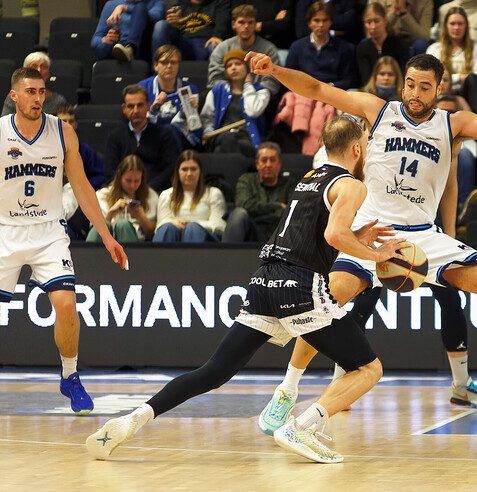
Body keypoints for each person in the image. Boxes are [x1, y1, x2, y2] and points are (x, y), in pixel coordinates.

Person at [246, 50, 477, 433]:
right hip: (372, 230)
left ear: (439, 87)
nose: (415, 93)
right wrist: (276, 69)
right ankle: (286, 392)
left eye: (424, 87)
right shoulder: (378, 110)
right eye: (410, 84)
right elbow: (316, 88)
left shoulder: (454, 123)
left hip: (423, 236)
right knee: (322, 306)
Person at [86, 116, 408, 463]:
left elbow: (318, 235)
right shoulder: (351, 185)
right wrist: (377, 254)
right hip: (299, 285)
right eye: (367, 142)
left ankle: (131, 420)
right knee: (369, 368)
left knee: (213, 372)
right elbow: (333, 236)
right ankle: (301, 426)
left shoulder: (308, 179)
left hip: (264, 281)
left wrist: (356, 238)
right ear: (357, 149)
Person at [0, 67, 127, 414]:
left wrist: (105, 234)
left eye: (41, 92)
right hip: (4, 230)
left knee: (67, 306)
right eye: (30, 92)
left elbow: (82, 186)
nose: (37, 98)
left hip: (47, 231)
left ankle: (70, 377)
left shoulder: (62, 131)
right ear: (14, 95)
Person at [104, 85, 179, 192]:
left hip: (155, 192)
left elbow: (170, 169)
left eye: (140, 105)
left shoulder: (164, 134)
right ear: (124, 109)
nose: (135, 110)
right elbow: (110, 171)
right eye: (130, 106)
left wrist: (146, 191)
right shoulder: (115, 137)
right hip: (122, 192)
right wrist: (125, 189)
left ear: (148, 106)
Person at [222, 142, 299, 243]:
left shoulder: (290, 183)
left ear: (279, 164)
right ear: (257, 164)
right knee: (239, 214)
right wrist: (277, 206)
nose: (268, 165)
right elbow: (243, 205)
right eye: (264, 160)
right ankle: (228, 257)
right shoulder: (246, 180)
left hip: (279, 233)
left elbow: (292, 212)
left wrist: (257, 212)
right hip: (253, 231)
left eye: (272, 160)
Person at [201, 48, 269, 156]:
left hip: (247, 139)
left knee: (221, 151)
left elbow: (253, 111)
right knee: (226, 140)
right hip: (221, 137)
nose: (233, 68)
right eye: (229, 66)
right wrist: (208, 133)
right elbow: (207, 118)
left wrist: (248, 85)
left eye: (238, 64)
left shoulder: (261, 91)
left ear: (247, 68)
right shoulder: (217, 91)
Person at [207, 4, 281, 94]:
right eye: (241, 22)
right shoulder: (222, 48)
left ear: (255, 25)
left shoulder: (269, 49)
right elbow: (214, 80)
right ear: (233, 24)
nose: (246, 26)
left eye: (250, 22)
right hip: (227, 96)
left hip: (259, 98)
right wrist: (235, 93)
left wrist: (250, 93)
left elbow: (272, 83)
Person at [153, 150, 226, 242]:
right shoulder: (166, 195)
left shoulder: (213, 193)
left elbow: (219, 227)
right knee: (168, 228)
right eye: (184, 169)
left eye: (193, 169)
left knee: (192, 229)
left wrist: (191, 224)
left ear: (200, 172)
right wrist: (173, 222)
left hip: (206, 242)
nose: (189, 173)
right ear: (178, 172)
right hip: (175, 235)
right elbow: (160, 227)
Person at [139, 45, 201, 151]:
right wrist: (153, 109)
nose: (169, 66)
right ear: (155, 66)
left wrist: (188, 113)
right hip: (151, 140)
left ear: (178, 66)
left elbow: (195, 129)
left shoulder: (190, 90)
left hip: (180, 143)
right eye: (164, 62)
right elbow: (139, 125)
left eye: (173, 62)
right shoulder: (143, 88)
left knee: (169, 130)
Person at [285, 1, 358, 90]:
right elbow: (288, 77)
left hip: (332, 93)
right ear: (309, 23)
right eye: (316, 20)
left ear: (331, 22)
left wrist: (329, 86)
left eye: (325, 20)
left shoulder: (345, 48)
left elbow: (349, 80)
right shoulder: (297, 47)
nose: (321, 25)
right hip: (304, 93)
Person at [87, 155, 158, 242]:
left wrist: (141, 217)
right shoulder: (102, 195)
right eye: (128, 180)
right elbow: (94, 231)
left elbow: (152, 233)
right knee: (102, 224)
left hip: (137, 242)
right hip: (106, 242)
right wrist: (111, 213)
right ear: (119, 176)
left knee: (123, 225)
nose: (132, 186)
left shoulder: (150, 196)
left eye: (136, 181)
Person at [426, 6, 477, 93]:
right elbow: (432, 77)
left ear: (466, 26)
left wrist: (450, 79)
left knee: (473, 79)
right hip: (442, 93)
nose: (456, 27)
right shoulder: (434, 49)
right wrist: (460, 78)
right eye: (452, 23)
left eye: (460, 24)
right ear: (446, 26)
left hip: (469, 93)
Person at [151, 0, 231, 60]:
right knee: (161, 25)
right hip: (183, 42)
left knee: (215, 45)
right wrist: (173, 25)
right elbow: (174, 31)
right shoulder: (181, 4)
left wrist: (217, 36)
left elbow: (222, 23)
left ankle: (215, 80)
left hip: (205, 42)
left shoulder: (219, 2)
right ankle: (158, 71)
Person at [54, 104, 106, 190]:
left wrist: (82, 187)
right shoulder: (45, 150)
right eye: (63, 121)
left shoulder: (86, 150)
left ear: (76, 125)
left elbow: (100, 176)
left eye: (71, 121)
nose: (68, 125)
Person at [357, 2, 410, 86]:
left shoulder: (400, 44)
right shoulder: (363, 47)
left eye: (376, 21)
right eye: (368, 22)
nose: (373, 26)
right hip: (371, 91)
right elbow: (365, 78)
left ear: (385, 20)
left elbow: (404, 75)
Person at [92, 0, 164, 61]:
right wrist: (105, 39)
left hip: (142, 47)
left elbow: (156, 17)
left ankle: (130, 49)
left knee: (140, 7)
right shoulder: (110, 5)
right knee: (101, 47)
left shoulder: (155, 2)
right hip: (117, 47)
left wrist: (124, 8)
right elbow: (94, 40)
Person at [2, 52, 66, 117]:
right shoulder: (15, 96)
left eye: (43, 67)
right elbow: (5, 123)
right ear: (25, 72)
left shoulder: (58, 101)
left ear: (48, 73)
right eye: (34, 66)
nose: (39, 70)